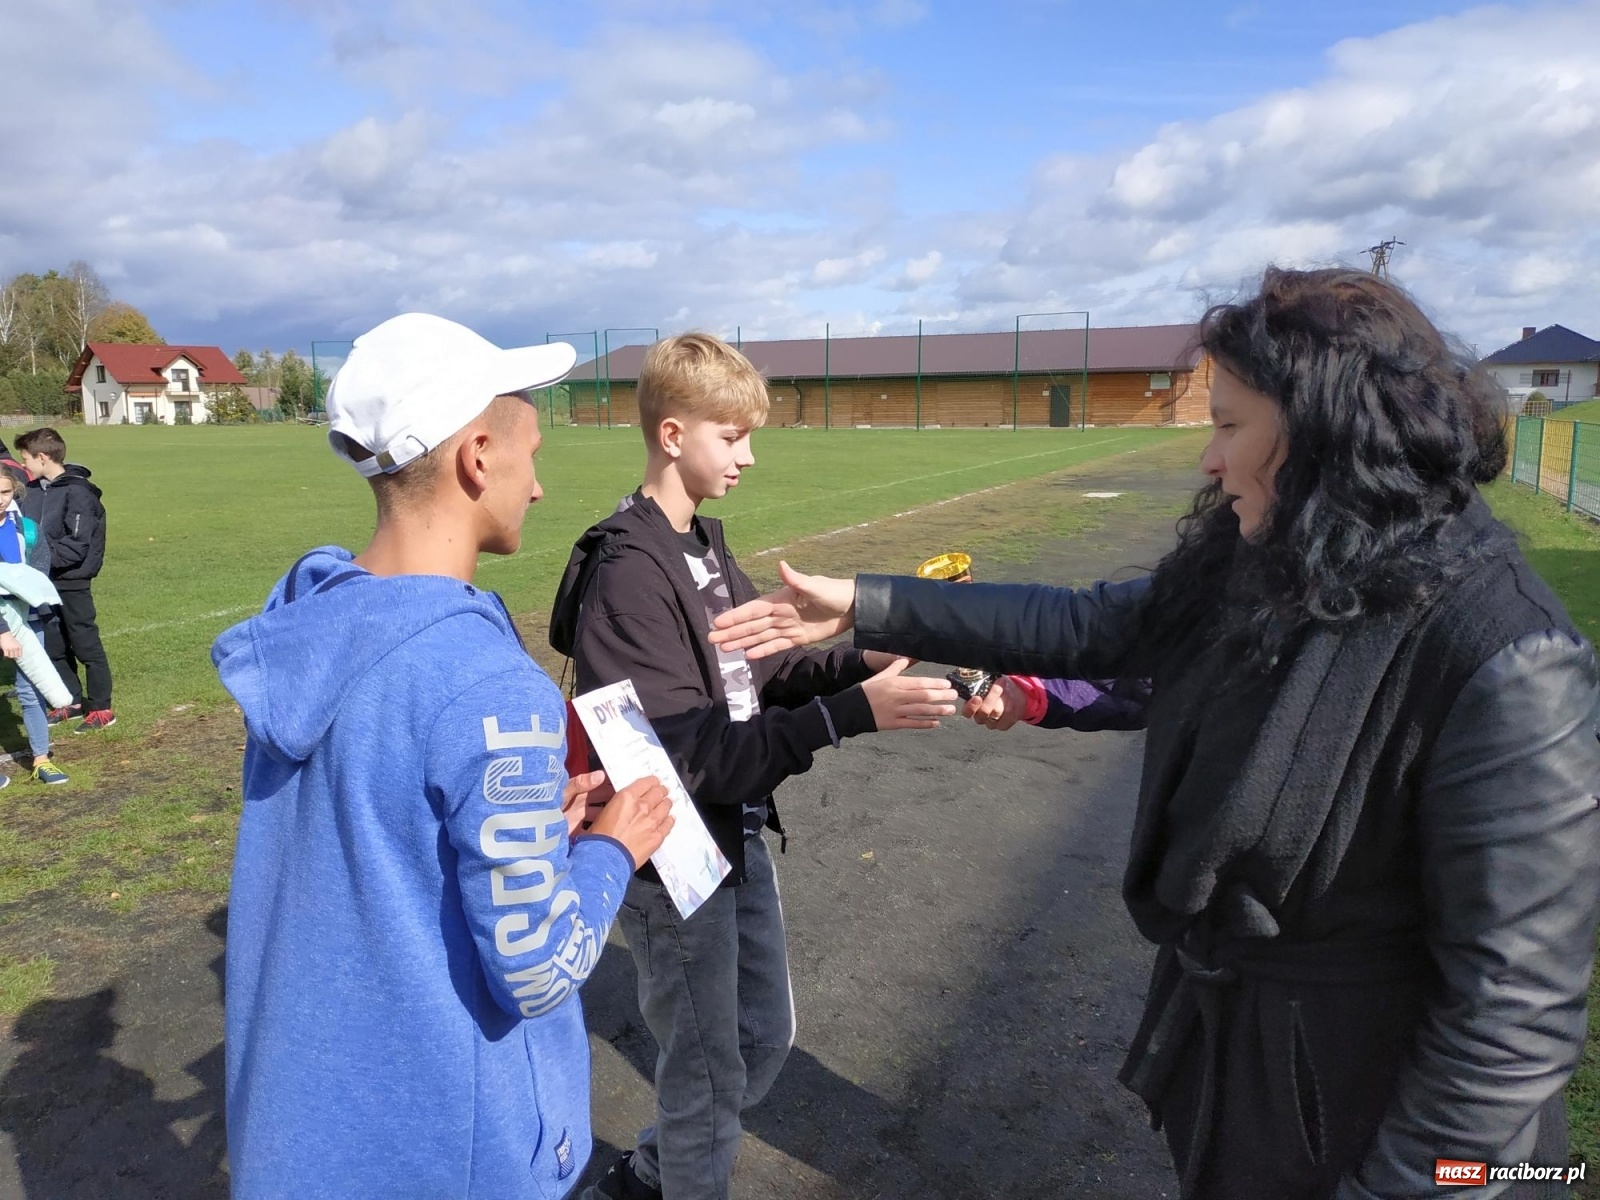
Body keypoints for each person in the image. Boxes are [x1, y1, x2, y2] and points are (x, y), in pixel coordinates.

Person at [711, 267, 1600, 1200]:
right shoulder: (1283, 551)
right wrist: (863, 603)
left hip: (1372, 1113)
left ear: (1324, 434)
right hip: (1251, 1078)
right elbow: (1088, 625)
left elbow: (1514, 1018)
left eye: (1228, 426)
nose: (1209, 461)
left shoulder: (1508, 657)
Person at [211, 313, 676, 1200]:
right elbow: (537, 968)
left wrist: (538, 825)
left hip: (302, 1144)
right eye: (531, 453)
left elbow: (384, 833)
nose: (538, 488)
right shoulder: (488, 689)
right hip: (445, 1156)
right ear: (476, 457)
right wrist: (612, 849)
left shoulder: (305, 627)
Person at [548, 332, 957, 1200]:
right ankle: (673, 1179)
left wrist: (867, 657)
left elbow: (766, 675)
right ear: (671, 435)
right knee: (705, 1079)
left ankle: (653, 1171)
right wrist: (849, 717)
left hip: (736, 841)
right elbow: (693, 762)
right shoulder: (629, 572)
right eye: (731, 436)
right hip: (674, 864)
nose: (748, 455)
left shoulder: (702, 550)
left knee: (761, 1041)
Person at [15, 428, 112, 730]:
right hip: (42, 581)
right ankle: (71, 700)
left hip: (72, 580)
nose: (24, 465)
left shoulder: (79, 492)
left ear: (42, 457)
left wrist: (40, 556)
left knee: (84, 641)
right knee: (54, 645)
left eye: (26, 459)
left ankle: (101, 707)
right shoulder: (34, 492)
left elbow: (77, 545)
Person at [0, 467, 69, 784]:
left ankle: (42, 758)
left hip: (26, 621)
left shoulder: (28, 529)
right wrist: (2, 631)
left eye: (4, 492)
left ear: (14, 491)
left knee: (31, 690)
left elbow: (37, 579)